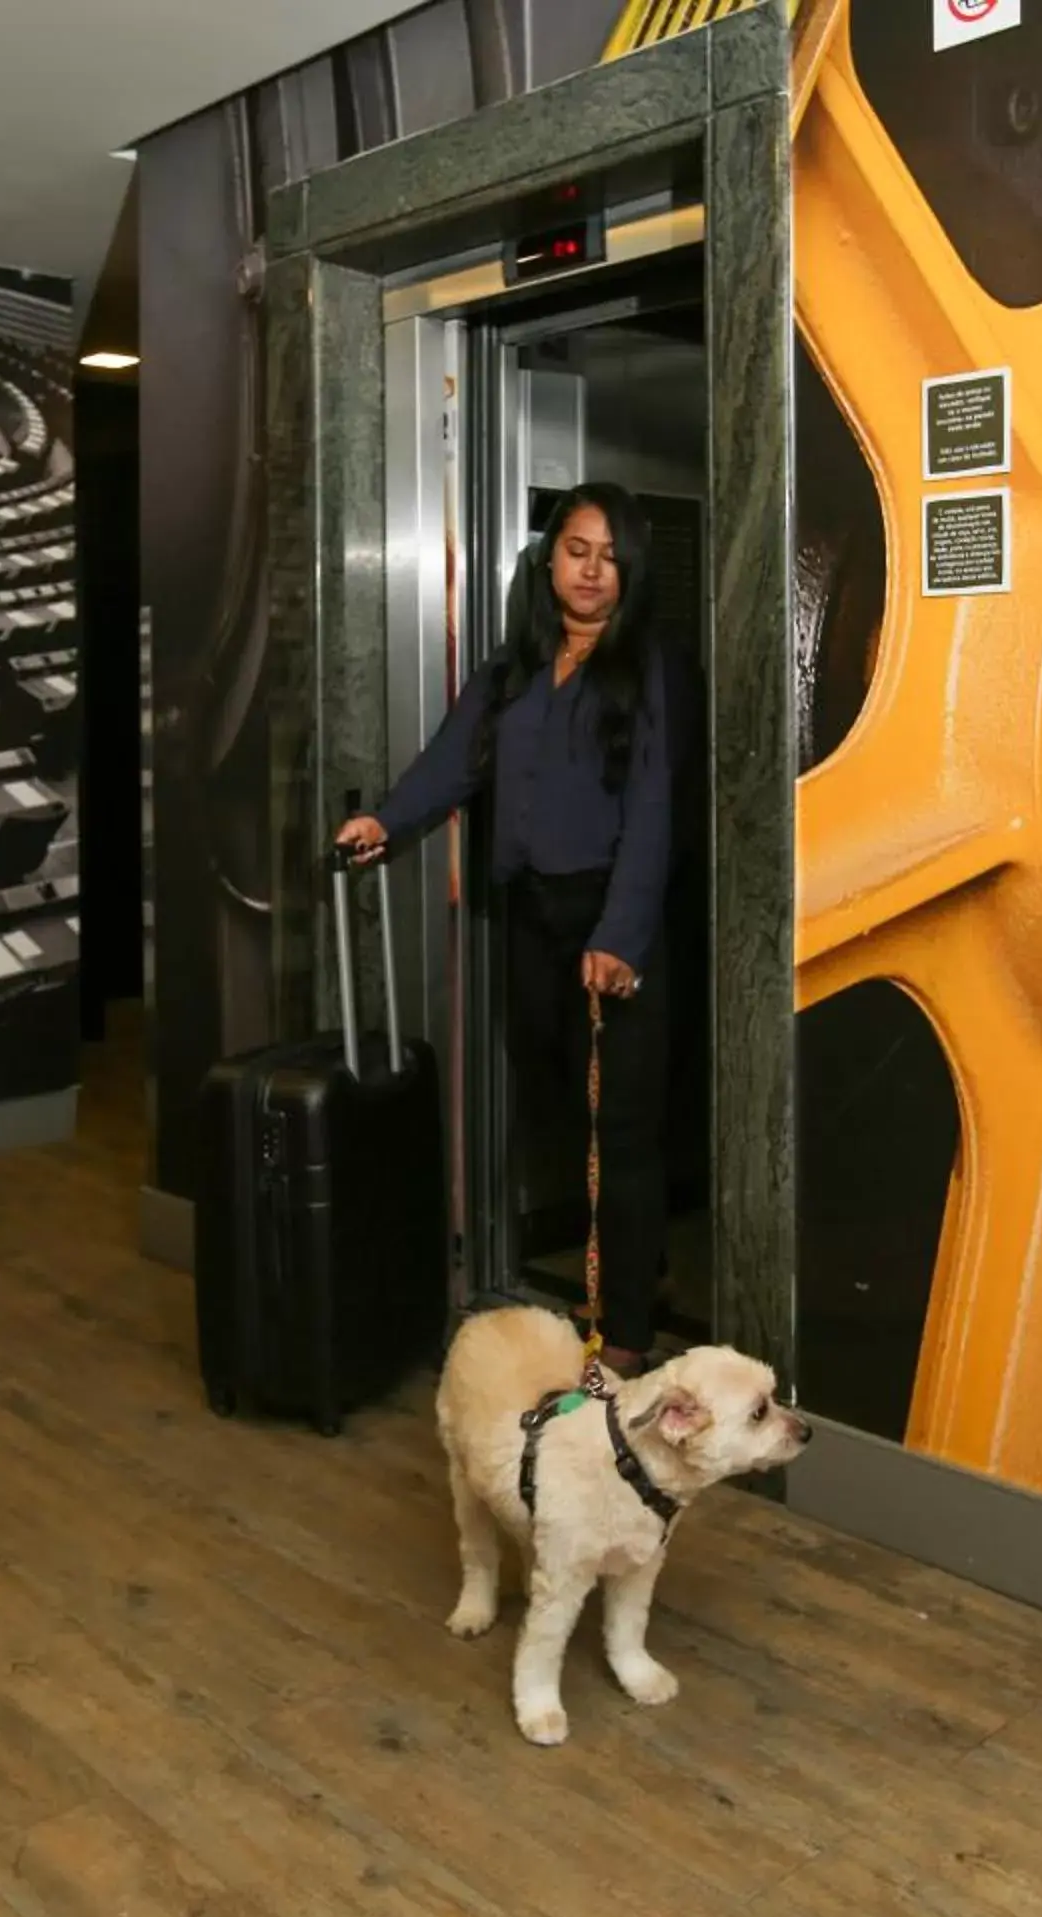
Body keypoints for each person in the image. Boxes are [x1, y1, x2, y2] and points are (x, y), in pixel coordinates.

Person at [335, 484, 675, 1376]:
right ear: (549, 559)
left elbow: (654, 813)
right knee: (568, 1104)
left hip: (612, 922)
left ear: (630, 571)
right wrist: (387, 821)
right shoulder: (513, 670)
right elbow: (452, 761)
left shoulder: (650, 671)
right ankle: (636, 1270)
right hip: (533, 918)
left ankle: (628, 1328)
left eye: (609, 556)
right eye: (576, 549)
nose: (591, 570)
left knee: (621, 1129)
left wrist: (622, 936)